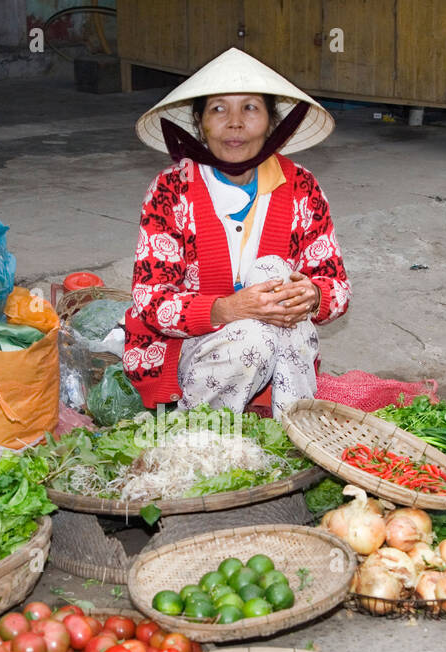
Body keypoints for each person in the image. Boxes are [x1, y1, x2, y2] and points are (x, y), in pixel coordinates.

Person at [123, 47, 350, 418]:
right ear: (200, 123)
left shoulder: (301, 187)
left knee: (274, 277)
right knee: (253, 335)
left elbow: (337, 288)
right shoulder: (171, 190)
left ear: (271, 122)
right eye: (218, 109)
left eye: (250, 108)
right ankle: (206, 430)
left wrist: (311, 296)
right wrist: (227, 309)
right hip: (190, 353)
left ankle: (293, 426)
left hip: (282, 353)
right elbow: (151, 301)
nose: (234, 123)